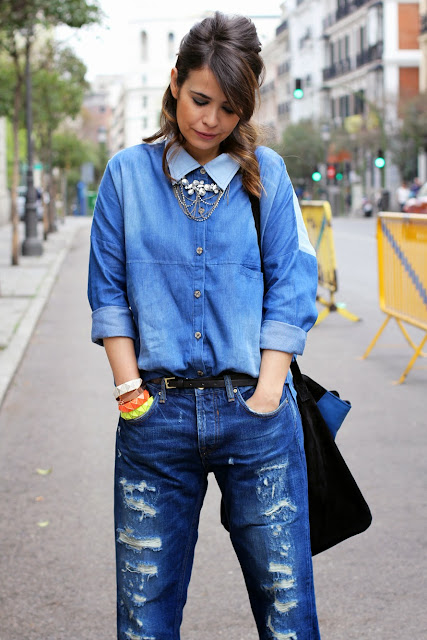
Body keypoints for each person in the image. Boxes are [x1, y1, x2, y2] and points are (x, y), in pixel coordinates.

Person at [88, 12, 320, 640]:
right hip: (154, 418)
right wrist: (128, 390)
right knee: (144, 617)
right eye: (199, 99)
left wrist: (267, 392)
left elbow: (293, 285)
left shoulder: (267, 175)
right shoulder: (126, 175)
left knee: (288, 612)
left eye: (229, 107)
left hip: (255, 416)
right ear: (174, 83)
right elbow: (108, 291)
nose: (211, 120)